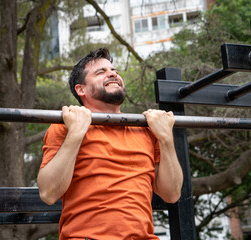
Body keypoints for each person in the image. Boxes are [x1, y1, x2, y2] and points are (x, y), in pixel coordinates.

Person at [37, 48, 183, 240]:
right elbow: (48, 193)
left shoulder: (146, 129)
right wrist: (76, 133)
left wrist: (165, 137)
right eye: (101, 72)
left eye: (114, 70)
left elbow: (171, 194)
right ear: (81, 89)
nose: (113, 73)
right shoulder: (66, 127)